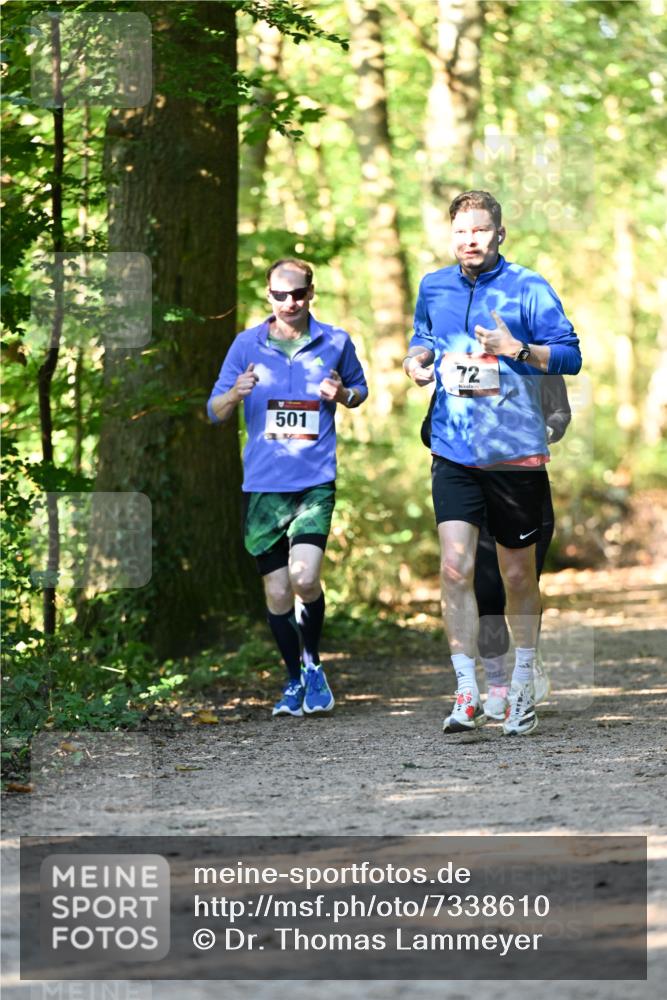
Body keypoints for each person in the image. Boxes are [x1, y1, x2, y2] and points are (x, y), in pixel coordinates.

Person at [404, 190, 582, 736]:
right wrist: (416, 359)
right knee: (455, 568)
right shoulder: (433, 285)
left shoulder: (529, 286)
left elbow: (571, 354)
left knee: (515, 573)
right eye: (461, 232)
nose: (470, 240)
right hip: (453, 450)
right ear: (451, 235)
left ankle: (523, 683)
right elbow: (423, 337)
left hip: (516, 455)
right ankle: (466, 690)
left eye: (480, 230)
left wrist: (517, 350)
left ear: (499, 233)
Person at [207, 259, 368, 718]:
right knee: (277, 594)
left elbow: (360, 391)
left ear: (311, 293)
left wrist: (342, 395)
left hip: (314, 481)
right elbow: (213, 411)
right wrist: (236, 393)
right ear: (268, 295)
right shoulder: (245, 345)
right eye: (281, 295)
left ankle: (314, 663)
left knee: (304, 578)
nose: (290, 303)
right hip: (262, 486)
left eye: (298, 294)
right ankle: (294, 676)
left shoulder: (335, 341)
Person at [421, 374, 571, 719]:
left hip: (520, 482)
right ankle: (497, 684)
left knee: (520, 581)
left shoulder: (530, 356)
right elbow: (430, 426)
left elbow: (560, 413)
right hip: (472, 488)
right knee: (485, 591)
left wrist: (538, 432)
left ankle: (526, 662)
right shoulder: (459, 357)